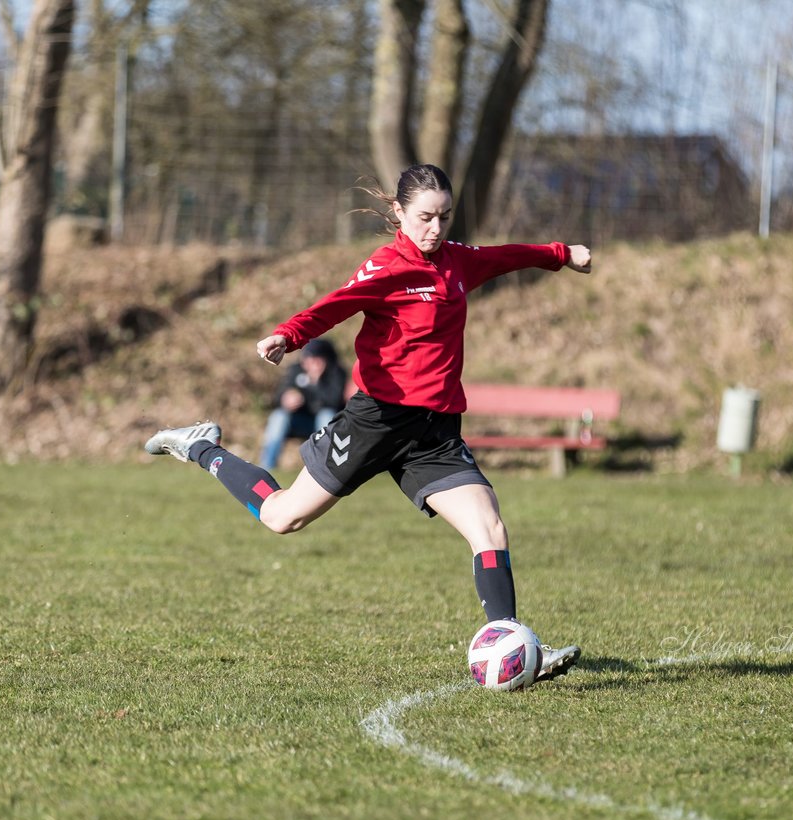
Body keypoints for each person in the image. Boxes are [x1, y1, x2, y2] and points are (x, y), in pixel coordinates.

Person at [145, 163, 592, 684]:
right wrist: (288, 335)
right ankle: (202, 447)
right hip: (376, 422)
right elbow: (336, 305)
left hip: (435, 433)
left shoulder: (456, 263)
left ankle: (509, 644)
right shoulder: (388, 266)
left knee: (488, 525)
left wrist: (562, 254)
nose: (435, 229)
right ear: (399, 213)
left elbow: (506, 256)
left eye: (444, 217)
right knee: (281, 517)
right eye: (425, 217)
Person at [259, 337, 347, 471]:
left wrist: (315, 383)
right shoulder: (295, 371)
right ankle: (267, 466)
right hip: (300, 422)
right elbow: (278, 397)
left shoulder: (336, 373)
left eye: (316, 359)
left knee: (326, 415)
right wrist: (286, 399)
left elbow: (334, 401)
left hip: (324, 425)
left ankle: (324, 467)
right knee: (279, 416)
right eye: (307, 359)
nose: (310, 364)